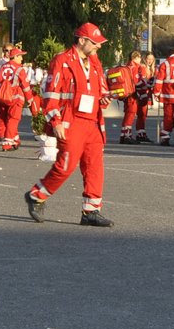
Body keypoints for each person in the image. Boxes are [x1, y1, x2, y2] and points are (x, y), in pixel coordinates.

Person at [24, 23, 112, 226]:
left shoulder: (95, 62)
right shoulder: (62, 61)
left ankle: (91, 210)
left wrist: (105, 97)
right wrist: (55, 121)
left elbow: (101, 88)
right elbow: (50, 95)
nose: (99, 46)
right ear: (82, 40)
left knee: (94, 166)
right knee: (66, 166)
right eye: (95, 42)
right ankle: (37, 195)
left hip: (93, 123)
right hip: (71, 121)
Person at [0, 46, 30, 151]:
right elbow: (26, 87)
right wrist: (30, 100)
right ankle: (7, 143)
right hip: (15, 99)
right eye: (21, 56)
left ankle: (15, 140)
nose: (22, 59)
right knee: (13, 120)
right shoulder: (19, 69)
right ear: (16, 56)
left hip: (2, 98)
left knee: (5, 120)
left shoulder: (0, 67)